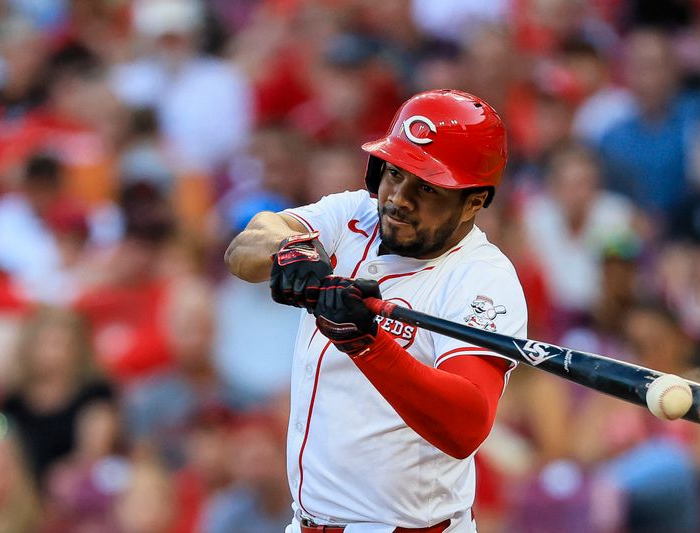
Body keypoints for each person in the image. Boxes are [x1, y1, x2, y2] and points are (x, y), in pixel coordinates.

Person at [226, 89, 528, 532]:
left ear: (475, 200)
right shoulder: (355, 214)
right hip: (305, 522)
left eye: (426, 187)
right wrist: (289, 251)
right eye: (395, 173)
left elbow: (466, 425)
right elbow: (244, 249)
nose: (399, 199)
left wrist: (368, 344)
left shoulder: (483, 278)